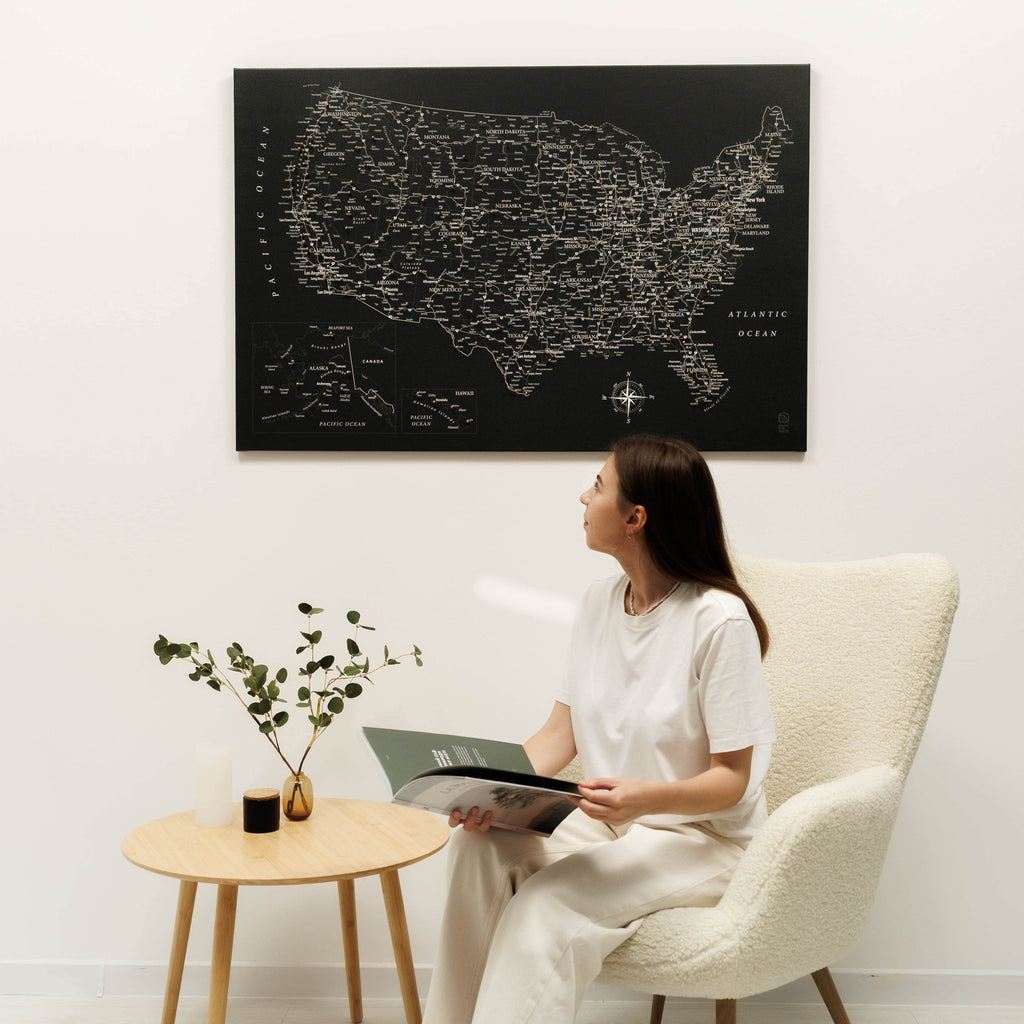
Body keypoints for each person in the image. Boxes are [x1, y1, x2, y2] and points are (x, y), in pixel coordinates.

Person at [422, 433, 776, 1024]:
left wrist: (646, 800)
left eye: (599, 485)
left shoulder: (718, 620)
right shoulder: (598, 603)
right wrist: (483, 791)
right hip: (610, 824)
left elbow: (732, 781)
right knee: (478, 845)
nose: (582, 496)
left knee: (546, 905)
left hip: (701, 840)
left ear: (636, 518)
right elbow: (561, 735)